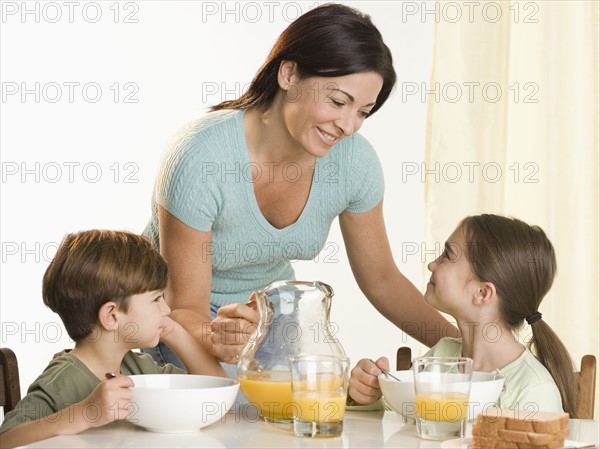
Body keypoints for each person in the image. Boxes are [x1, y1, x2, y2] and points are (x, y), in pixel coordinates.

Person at [142, 3, 459, 376]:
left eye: (363, 111)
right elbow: (184, 308)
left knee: (312, 409)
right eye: (338, 102)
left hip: (267, 322)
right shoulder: (202, 157)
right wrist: (218, 336)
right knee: (231, 418)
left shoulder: (354, 162)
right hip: (171, 321)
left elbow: (383, 280)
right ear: (289, 74)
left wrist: (467, 349)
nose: (348, 125)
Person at [0, 230, 226, 448]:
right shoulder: (62, 381)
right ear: (112, 316)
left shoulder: (138, 368)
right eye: (157, 299)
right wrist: (84, 413)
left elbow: (218, 394)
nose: (166, 309)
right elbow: (6, 440)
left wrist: (176, 333)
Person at [347, 214, 578, 416]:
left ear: (482, 293)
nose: (431, 265)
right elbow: (394, 417)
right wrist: (368, 393)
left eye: (447, 256)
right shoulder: (442, 355)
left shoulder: (534, 390)